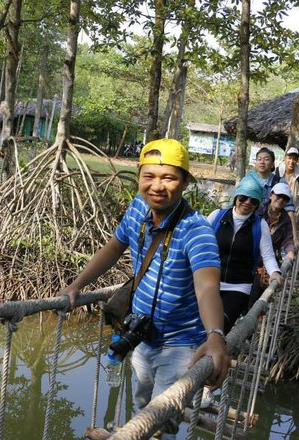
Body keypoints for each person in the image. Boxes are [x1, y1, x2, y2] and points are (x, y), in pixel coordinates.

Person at [58, 138, 229, 438]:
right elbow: (112, 249)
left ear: (186, 182)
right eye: (148, 176)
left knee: (158, 423)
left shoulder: (196, 230)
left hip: (180, 347)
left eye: (169, 178)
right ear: (138, 177)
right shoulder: (138, 208)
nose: (157, 186)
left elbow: (207, 288)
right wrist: (76, 285)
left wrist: (215, 336)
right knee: (141, 405)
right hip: (140, 336)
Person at [206, 177, 283, 333]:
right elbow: (199, 245)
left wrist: (275, 273)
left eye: (253, 201)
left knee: (220, 327)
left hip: (239, 287)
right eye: (243, 198)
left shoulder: (260, 226)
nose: (248, 203)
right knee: (200, 326)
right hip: (209, 282)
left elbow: (268, 255)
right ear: (236, 197)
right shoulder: (216, 216)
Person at [275, 147, 299, 249]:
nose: (291, 161)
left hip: (294, 206)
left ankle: (287, 253)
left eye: (294, 159)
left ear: (297, 160)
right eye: (289, 158)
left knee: (291, 230)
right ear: (285, 158)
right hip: (279, 205)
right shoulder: (278, 170)